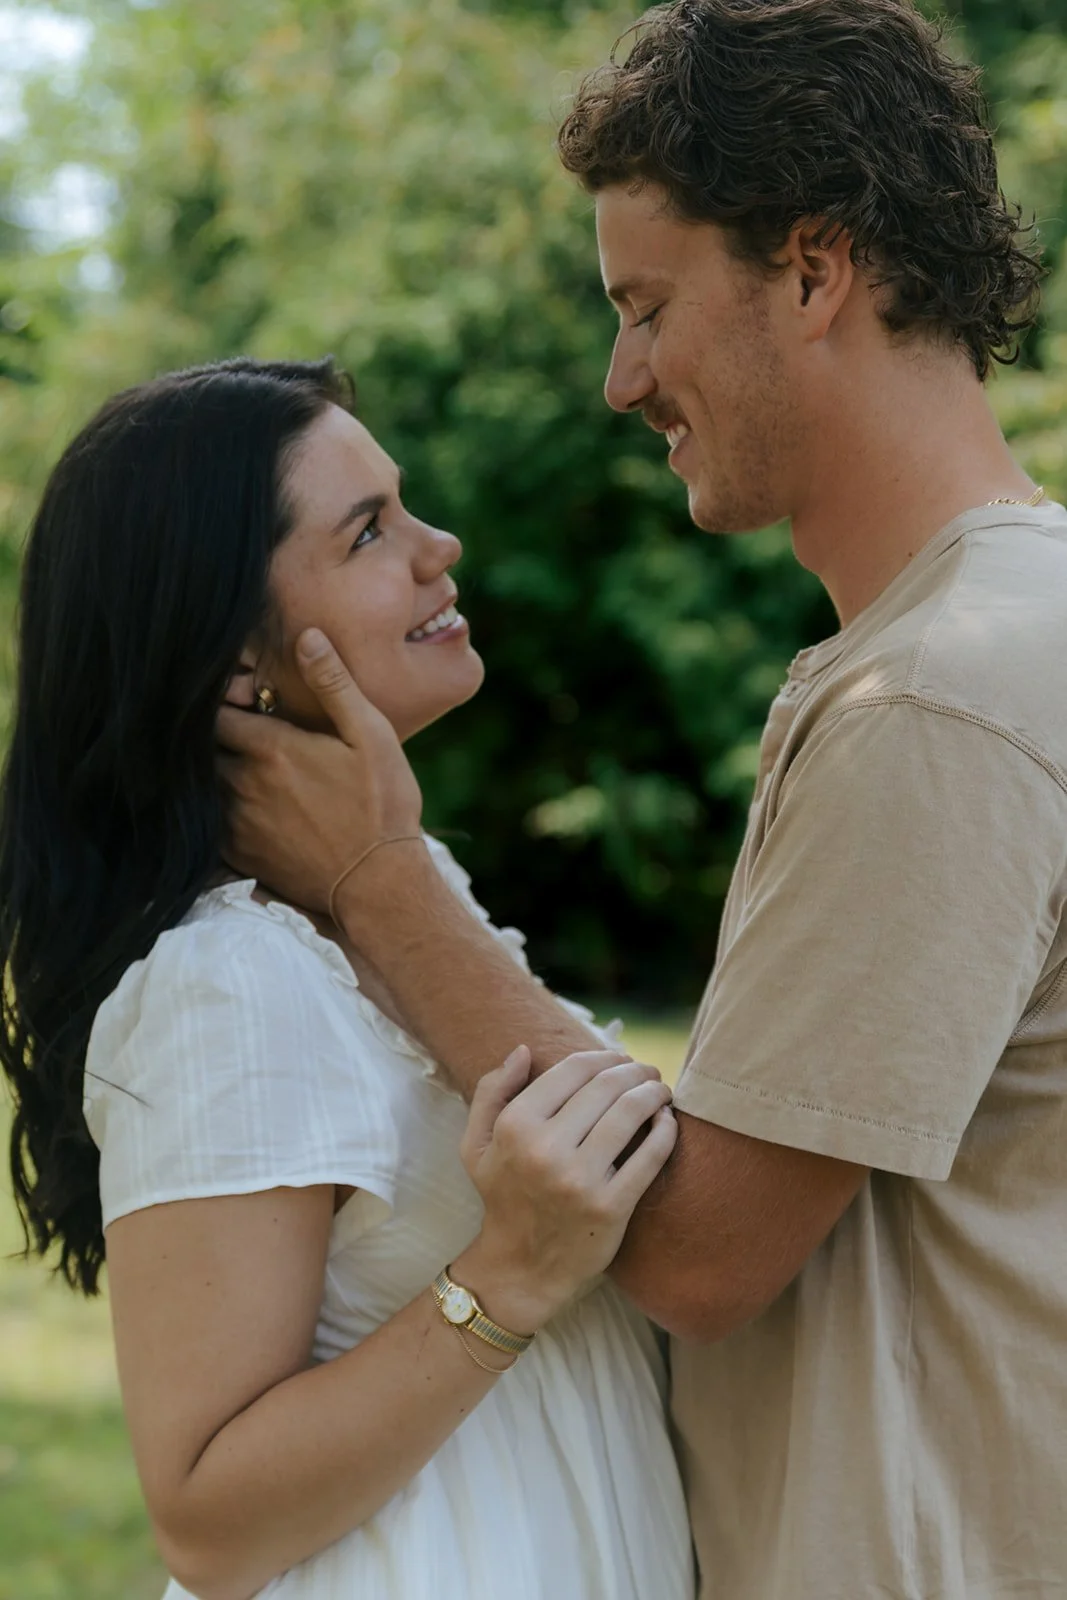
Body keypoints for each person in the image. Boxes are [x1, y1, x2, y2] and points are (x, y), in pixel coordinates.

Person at [216, 3, 1067, 1598]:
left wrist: (379, 882)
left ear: (811, 271)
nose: (621, 379)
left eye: (645, 306)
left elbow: (694, 1249)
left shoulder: (941, 696)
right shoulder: (969, 645)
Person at [0, 357, 694, 1600]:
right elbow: (206, 1518)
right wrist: (508, 1276)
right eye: (368, 530)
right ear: (229, 661)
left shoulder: (403, 895)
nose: (440, 545)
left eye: (403, 506)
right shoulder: (227, 979)